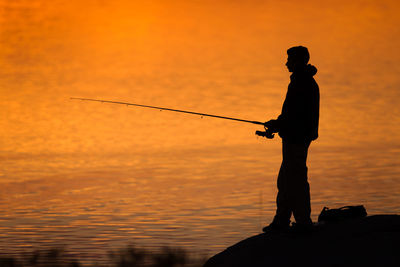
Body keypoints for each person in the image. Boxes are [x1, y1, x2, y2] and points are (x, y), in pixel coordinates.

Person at [262, 46, 319, 233]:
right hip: (297, 136)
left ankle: (302, 222)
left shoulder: (300, 83)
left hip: (296, 138)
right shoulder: (304, 81)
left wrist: (277, 125)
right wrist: (277, 125)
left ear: (297, 61)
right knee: (286, 179)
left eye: (289, 59)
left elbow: (294, 116)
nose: (286, 63)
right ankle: (282, 221)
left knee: (295, 180)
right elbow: (291, 115)